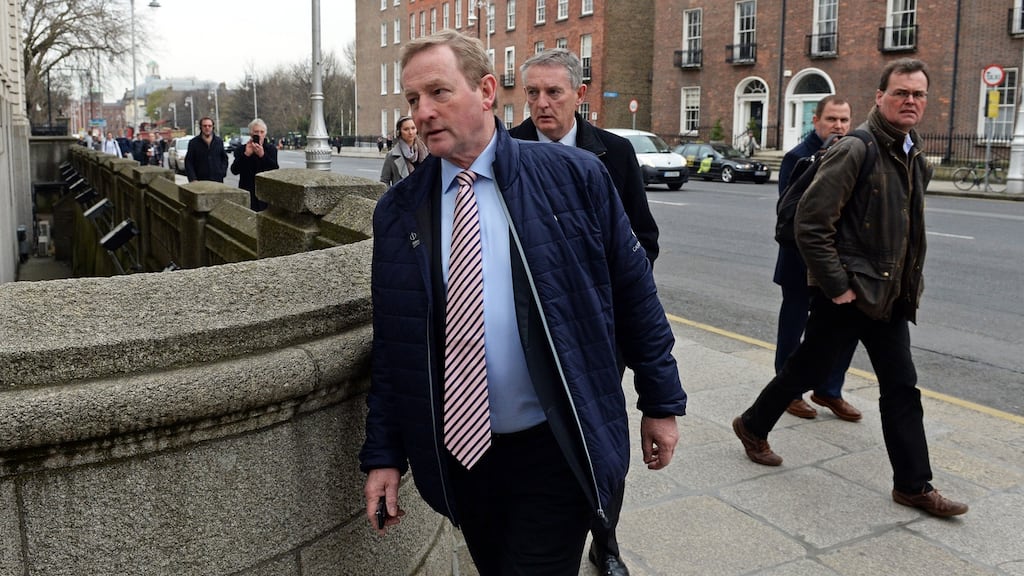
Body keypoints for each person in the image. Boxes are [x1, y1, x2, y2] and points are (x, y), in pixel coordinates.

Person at [359, 29, 687, 575]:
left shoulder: (575, 176)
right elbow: (395, 345)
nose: (422, 112)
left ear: (486, 91)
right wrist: (384, 456)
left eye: (440, 92)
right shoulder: (398, 212)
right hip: (462, 456)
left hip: (555, 443)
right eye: (413, 99)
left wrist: (660, 402)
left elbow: (635, 295)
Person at [732, 58, 968, 517]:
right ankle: (754, 424)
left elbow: (906, 231)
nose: (910, 101)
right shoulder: (855, 149)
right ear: (880, 96)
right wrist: (837, 286)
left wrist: (906, 286)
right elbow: (811, 224)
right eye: (901, 92)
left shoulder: (912, 152)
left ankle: (912, 485)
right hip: (850, 295)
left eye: (918, 94)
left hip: (888, 295)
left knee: (896, 386)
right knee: (812, 370)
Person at [508, 47, 658, 576]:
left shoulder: (613, 154)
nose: (542, 104)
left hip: (597, 331)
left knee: (599, 437)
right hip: (532, 333)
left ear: (580, 95)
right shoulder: (507, 149)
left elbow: (644, 241)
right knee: (545, 442)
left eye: (554, 92)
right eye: (533, 93)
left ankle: (607, 540)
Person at [774, 96, 862, 422]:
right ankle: (787, 393)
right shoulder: (798, 157)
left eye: (844, 120)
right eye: (832, 119)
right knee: (793, 329)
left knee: (841, 328)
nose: (838, 126)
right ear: (816, 121)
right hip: (798, 261)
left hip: (835, 263)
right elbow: (790, 211)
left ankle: (829, 389)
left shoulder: (852, 153)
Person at [230, 118, 279, 211]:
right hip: (247, 189)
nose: (259, 135)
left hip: (265, 192)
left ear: (265, 133)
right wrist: (246, 155)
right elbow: (234, 170)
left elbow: (274, 169)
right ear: (251, 133)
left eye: (262, 132)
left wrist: (262, 155)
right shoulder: (241, 149)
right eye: (256, 132)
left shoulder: (271, 149)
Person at [379, 115, 429, 186]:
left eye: (413, 128)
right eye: (406, 129)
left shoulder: (426, 151)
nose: (411, 132)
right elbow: (384, 182)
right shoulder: (391, 156)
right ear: (399, 132)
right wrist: (394, 196)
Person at [185, 117, 229, 183]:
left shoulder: (219, 141)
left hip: (217, 181)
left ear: (212, 127)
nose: (207, 128)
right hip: (200, 181)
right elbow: (188, 162)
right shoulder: (193, 143)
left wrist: (222, 172)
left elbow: (224, 158)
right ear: (201, 127)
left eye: (209, 126)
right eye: (205, 126)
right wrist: (193, 178)